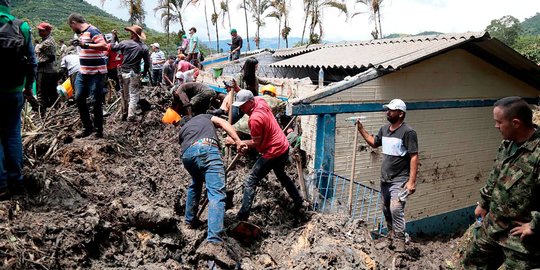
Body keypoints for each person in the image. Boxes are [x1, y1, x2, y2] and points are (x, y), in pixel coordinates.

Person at [461, 97, 540, 269]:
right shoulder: (507, 144)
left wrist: (534, 225)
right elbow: (495, 174)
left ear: (516, 123)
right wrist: (483, 202)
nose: (496, 126)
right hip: (493, 225)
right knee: (471, 264)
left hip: (520, 238)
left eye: (499, 122)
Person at [179, 113, 246, 267]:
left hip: (187, 155)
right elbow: (223, 123)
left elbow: (184, 147)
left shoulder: (183, 129)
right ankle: (214, 242)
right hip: (207, 148)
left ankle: (190, 220)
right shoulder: (205, 117)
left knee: (195, 183)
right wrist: (237, 141)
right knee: (216, 194)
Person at [231, 90, 305, 221]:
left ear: (250, 102)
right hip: (283, 145)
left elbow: (256, 142)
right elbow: (249, 95)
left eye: (243, 105)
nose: (241, 108)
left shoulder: (254, 119)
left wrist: (237, 141)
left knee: (251, 180)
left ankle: (242, 217)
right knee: (281, 175)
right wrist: (237, 89)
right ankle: (299, 201)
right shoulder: (260, 101)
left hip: (273, 151)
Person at [356, 98, 418, 252]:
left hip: (400, 179)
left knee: (396, 208)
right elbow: (374, 143)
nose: (388, 112)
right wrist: (361, 129)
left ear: (401, 114)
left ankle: (399, 241)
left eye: (391, 110)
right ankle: (391, 235)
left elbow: (414, 157)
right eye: (387, 110)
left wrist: (412, 181)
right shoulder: (384, 129)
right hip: (385, 179)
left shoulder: (408, 132)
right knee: (386, 209)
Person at [0, 0, 37, 200]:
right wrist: (29, 88)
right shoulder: (21, 25)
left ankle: (1, 185)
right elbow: (32, 62)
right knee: (13, 134)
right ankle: (17, 180)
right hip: (15, 90)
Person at [68, 13, 108, 138]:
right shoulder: (81, 34)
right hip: (83, 71)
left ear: (74, 23)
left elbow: (103, 46)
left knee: (95, 101)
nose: (71, 28)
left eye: (71, 26)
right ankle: (87, 127)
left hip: (96, 72)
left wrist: (85, 45)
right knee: (79, 98)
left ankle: (98, 130)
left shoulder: (93, 30)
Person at [110, 25, 150, 122]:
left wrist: (113, 37)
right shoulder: (144, 47)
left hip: (124, 72)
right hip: (134, 73)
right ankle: (131, 115)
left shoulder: (124, 43)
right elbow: (147, 63)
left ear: (132, 34)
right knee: (134, 94)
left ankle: (125, 113)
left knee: (125, 94)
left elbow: (113, 47)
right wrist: (144, 73)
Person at [36, 22, 58, 115]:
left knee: (42, 93)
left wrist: (37, 63)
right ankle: (51, 110)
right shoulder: (45, 40)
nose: (39, 32)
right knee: (50, 92)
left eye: (41, 30)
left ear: (47, 31)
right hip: (47, 70)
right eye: (39, 30)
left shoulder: (47, 42)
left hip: (45, 71)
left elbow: (50, 58)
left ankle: (42, 113)